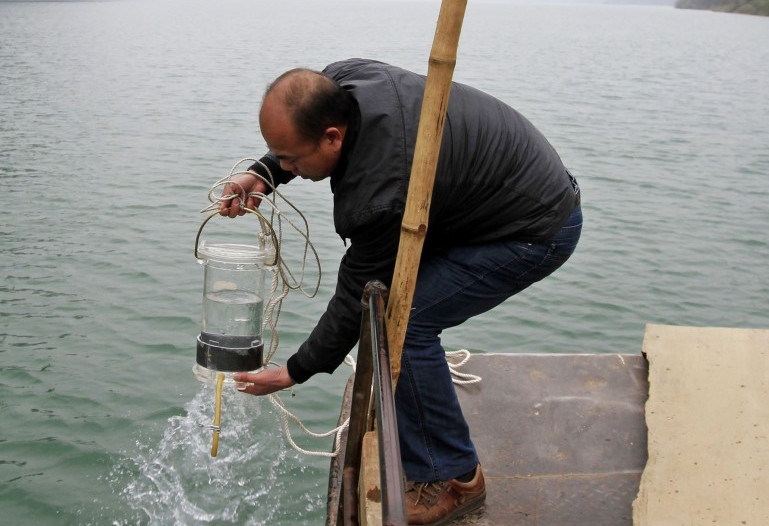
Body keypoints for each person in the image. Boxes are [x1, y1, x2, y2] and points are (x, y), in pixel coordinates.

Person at [220, 58, 582, 524]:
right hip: (505, 192)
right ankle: (421, 424)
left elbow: (357, 291)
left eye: (290, 159)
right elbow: (297, 149)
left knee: (404, 325)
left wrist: (295, 370)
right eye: (279, 156)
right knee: (399, 313)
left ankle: (454, 477)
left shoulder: (380, 192)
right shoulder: (344, 81)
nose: (285, 166)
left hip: (534, 230)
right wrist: (264, 174)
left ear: (333, 137)